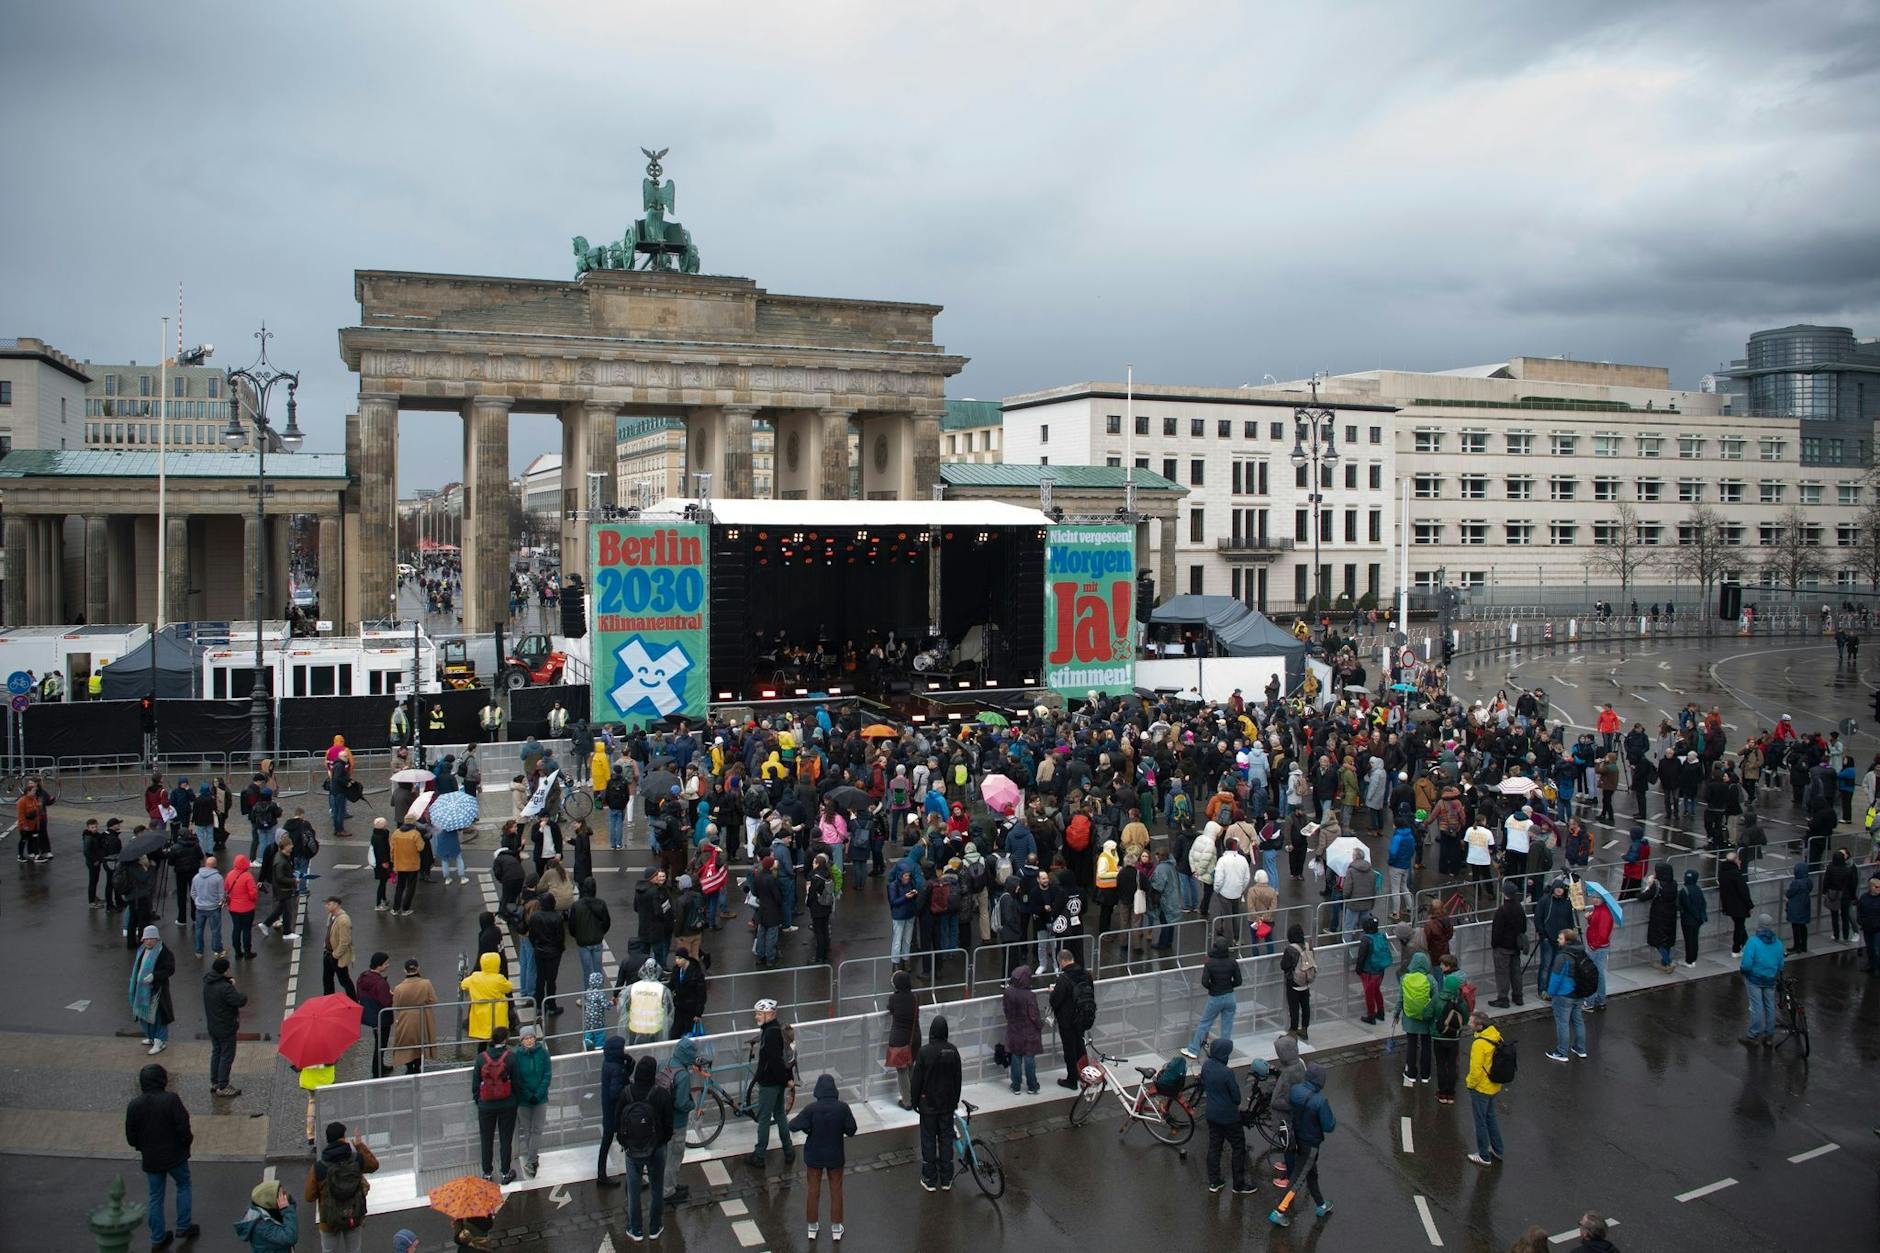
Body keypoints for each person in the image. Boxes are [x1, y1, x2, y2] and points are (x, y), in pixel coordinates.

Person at [125, 1063, 197, 1249]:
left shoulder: (134, 1105)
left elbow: (131, 1138)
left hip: (151, 1158)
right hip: (175, 1155)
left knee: (155, 1196)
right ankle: (183, 1225)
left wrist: (143, 1147)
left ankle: (157, 1237)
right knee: (183, 1185)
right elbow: (183, 1126)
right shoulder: (171, 1099)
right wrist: (186, 1143)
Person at [791, 1073, 858, 1242]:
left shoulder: (811, 1109)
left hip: (814, 1156)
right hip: (835, 1155)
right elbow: (851, 1130)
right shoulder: (842, 1108)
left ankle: (812, 1226)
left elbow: (793, 1125)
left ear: (818, 1090)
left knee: (813, 1189)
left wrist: (807, 1128)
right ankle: (836, 1228)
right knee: (836, 1189)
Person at [1268, 1062, 1334, 1228]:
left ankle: (1321, 1204)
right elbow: (1329, 1126)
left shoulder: (1296, 1089)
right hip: (1311, 1144)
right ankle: (1279, 1211)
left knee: (1311, 1173)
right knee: (1298, 1178)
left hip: (1296, 1137)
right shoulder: (1320, 1101)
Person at [617, 1053, 675, 1241]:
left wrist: (624, 1142)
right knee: (656, 1189)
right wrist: (661, 1142)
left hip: (632, 1149)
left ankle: (635, 1229)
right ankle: (655, 1227)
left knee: (633, 1190)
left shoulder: (626, 1092)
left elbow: (618, 1120)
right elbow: (669, 1125)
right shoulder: (661, 1094)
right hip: (656, 1149)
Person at [305, 1120, 379, 1253]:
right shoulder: (356, 1160)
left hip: (329, 1220)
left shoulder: (319, 1167)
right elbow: (374, 1165)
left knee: (329, 1251)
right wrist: (359, 1145)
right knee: (354, 1250)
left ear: (327, 1140)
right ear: (343, 1138)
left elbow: (309, 1196)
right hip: (353, 1215)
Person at [910, 1015, 962, 1191]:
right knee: (946, 1139)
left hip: (928, 1104)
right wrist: (955, 1100)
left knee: (928, 1140)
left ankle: (930, 1178)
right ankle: (947, 1178)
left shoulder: (924, 1052)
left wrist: (915, 1100)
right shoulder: (953, 1051)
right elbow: (957, 1079)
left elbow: (916, 1080)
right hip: (947, 1104)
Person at [745, 999, 796, 1168]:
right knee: (780, 1115)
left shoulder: (770, 1034)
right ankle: (789, 1150)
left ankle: (759, 1155)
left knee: (764, 1119)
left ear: (770, 1014)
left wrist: (783, 1079)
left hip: (769, 1083)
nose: (756, 1016)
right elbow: (784, 1057)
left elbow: (774, 1061)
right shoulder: (775, 1029)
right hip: (778, 1082)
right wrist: (786, 1079)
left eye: (759, 1013)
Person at [1200, 1037, 1252, 1194]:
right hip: (1229, 1117)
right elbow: (1236, 1097)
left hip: (1212, 1114)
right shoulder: (1227, 1072)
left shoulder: (1206, 1066)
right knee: (1238, 1147)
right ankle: (1239, 1184)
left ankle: (1214, 1181)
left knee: (1215, 1147)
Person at [471, 1026, 520, 1183]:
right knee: (505, 1139)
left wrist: (479, 1100)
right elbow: (517, 1082)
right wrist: (514, 1100)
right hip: (507, 1104)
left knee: (486, 1139)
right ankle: (505, 1172)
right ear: (505, 1039)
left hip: (486, 1105)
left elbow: (475, 1084)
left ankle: (487, 1173)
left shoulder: (481, 1058)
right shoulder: (511, 1057)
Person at [1183, 938, 1243, 1057]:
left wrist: (1213, 988)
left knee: (1205, 1023)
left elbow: (1204, 982)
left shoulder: (1210, 963)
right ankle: (1224, 1053)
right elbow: (1238, 981)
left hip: (1215, 997)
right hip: (1230, 996)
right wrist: (1229, 986)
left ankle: (1194, 1050)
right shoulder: (1232, 962)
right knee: (1226, 1027)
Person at [1049, 947, 1095, 1089]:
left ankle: (1072, 1080)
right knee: (1080, 1046)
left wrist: (1052, 992)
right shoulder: (1086, 974)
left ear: (1062, 961)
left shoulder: (1063, 979)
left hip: (1067, 1020)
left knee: (1070, 1050)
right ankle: (1086, 1076)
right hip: (1083, 1016)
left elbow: (1055, 1001)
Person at [1463, 1011, 1505, 1166]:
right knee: (1490, 1117)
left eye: (1471, 1022)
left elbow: (1476, 1071)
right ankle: (1498, 1149)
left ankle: (1483, 1155)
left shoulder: (1479, 1044)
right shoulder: (1496, 1036)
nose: (1469, 1023)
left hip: (1481, 1087)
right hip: (1494, 1085)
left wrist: (1470, 1084)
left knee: (1480, 1121)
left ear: (1479, 1026)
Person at [1544, 926, 1591, 1063]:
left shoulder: (1562, 956)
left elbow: (1556, 978)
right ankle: (1580, 1049)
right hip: (1579, 992)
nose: (1558, 940)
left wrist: (1550, 993)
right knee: (1578, 1021)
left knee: (1563, 1023)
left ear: (1567, 941)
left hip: (1564, 995)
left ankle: (1562, 1051)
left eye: (1560, 938)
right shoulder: (1582, 952)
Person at [1739, 913, 1786, 1047]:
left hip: (1754, 978)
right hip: (1770, 978)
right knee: (1770, 1005)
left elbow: (1746, 964)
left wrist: (1744, 971)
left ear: (1759, 925)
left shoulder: (1753, 942)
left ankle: (1753, 1035)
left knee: (1756, 1006)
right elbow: (1781, 964)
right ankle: (1769, 1035)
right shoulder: (1778, 943)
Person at [203, 956, 247, 1098]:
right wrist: (233, 987)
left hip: (213, 1025)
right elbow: (240, 1000)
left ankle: (214, 1082)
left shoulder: (208, 983)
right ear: (225, 970)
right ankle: (223, 1085)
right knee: (227, 1055)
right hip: (226, 1026)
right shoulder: (225, 988)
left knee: (216, 1052)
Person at [512, 1024, 553, 1179]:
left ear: (535, 1039)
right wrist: (528, 1094)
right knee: (527, 1130)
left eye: (531, 1038)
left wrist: (538, 1093)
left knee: (537, 1129)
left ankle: (531, 1160)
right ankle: (533, 1159)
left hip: (540, 1099)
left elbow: (547, 1075)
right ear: (521, 1041)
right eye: (526, 1038)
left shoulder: (543, 1053)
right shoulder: (516, 1056)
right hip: (523, 1100)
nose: (529, 1041)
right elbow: (517, 1078)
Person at [131, 924, 177, 1054]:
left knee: (158, 1016)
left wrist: (154, 976)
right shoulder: (142, 950)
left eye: (151, 938)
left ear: (157, 939)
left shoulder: (164, 952)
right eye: (146, 939)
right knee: (144, 1014)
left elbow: (170, 969)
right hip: (142, 990)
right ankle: (151, 1037)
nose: (148, 941)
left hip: (157, 991)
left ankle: (159, 1040)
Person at [388, 959, 438, 1075]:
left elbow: (396, 1006)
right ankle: (418, 1066)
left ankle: (409, 1067)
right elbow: (433, 1000)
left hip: (405, 1018)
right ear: (418, 968)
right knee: (420, 1041)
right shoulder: (426, 983)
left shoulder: (399, 988)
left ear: (405, 970)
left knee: (406, 1042)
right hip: (422, 1017)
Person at [1430, 956, 1468, 1104]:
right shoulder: (1461, 1001)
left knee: (1440, 1064)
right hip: (1454, 1037)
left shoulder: (1437, 998)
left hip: (1438, 1036)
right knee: (1451, 1065)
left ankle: (1441, 1093)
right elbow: (1465, 1019)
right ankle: (1450, 1094)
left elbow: (1427, 1013)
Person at [1001, 963, 1043, 1094]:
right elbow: (1034, 1015)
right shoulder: (1029, 995)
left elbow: (1006, 1010)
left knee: (1016, 1057)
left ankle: (1016, 1086)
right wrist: (1040, 1025)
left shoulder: (1008, 993)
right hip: (1029, 1031)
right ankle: (1032, 1086)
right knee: (1029, 1059)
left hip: (1014, 1029)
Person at [596, 1036, 631, 1186]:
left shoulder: (609, 1063)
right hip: (617, 1113)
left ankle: (601, 1175)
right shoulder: (616, 1068)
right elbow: (616, 1092)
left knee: (606, 1142)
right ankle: (633, 1178)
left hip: (609, 1111)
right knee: (628, 1143)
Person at [459, 952, 513, 1049]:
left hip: (480, 1014)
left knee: (483, 1040)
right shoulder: (499, 979)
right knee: (497, 1038)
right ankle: (498, 1056)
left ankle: (482, 1056)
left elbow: (463, 984)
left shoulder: (475, 977)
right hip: (497, 1013)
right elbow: (508, 988)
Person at [1487, 880, 1527, 1008]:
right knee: (1516, 972)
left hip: (1502, 947)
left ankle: (1503, 999)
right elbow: (1524, 927)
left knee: (1502, 973)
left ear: (1505, 894)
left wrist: (1494, 944)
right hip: (1515, 946)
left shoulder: (1502, 910)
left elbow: (1497, 931)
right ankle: (1518, 996)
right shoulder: (1519, 908)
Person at [234, 1179, 300, 1252]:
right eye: (281, 1195)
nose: (285, 1197)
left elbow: (291, 1206)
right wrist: (286, 1210)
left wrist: (288, 1202)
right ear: (271, 1201)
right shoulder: (262, 1227)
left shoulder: (263, 1205)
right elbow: (290, 1237)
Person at [1399, 951, 1434, 1085]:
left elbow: (1401, 999)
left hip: (1410, 1018)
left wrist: (1396, 1013)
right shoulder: (1430, 979)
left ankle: (1411, 1074)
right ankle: (1425, 1075)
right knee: (1426, 1046)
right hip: (1426, 1018)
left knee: (1411, 1045)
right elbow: (1435, 1000)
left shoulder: (1405, 978)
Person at [885, 969, 919, 1108]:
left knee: (902, 1070)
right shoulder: (915, 997)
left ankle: (906, 1101)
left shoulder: (894, 999)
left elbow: (890, 1009)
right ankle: (914, 1096)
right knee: (911, 1066)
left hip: (899, 1039)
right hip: (915, 1037)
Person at [622, 958, 673, 1045]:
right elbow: (669, 1010)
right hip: (655, 1028)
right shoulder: (663, 989)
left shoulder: (632, 988)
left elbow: (624, 1007)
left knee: (635, 1051)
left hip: (635, 1027)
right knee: (652, 1051)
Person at [1355, 914, 1392, 1024]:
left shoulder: (1366, 939)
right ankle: (1380, 1012)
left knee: (1369, 994)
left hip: (1369, 972)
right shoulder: (1381, 936)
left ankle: (1371, 1016)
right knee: (1377, 990)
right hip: (1380, 970)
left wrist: (1358, 970)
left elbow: (1361, 957)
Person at [1280, 923, 1314, 1039]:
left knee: (1294, 1007)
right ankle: (1304, 1029)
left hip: (1294, 982)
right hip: (1306, 980)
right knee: (1305, 1006)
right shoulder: (1307, 946)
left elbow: (1284, 965)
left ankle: (1293, 1030)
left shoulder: (1290, 949)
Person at [225, 853, 258, 960]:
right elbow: (253, 894)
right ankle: (248, 952)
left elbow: (226, 888)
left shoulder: (230, 874)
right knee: (246, 930)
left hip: (233, 908)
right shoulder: (248, 876)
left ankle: (238, 952)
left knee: (236, 929)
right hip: (247, 908)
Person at [322, 897, 356, 999]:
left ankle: (353, 999)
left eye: (328, 904)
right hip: (328, 952)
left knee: (344, 980)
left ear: (336, 905)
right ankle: (329, 1000)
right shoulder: (331, 916)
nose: (326, 906)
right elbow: (329, 932)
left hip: (336, 955)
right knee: (327, 979)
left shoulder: (343, 920)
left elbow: (345, 941)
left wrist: (335, 955)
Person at [389, 820, 423, 916]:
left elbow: (392, 848)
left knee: (400, 886)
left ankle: (395, 908)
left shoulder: (396, 833)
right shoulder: (415, 834)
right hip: (412, 865)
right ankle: (405, 909)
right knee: (410, 887)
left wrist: (392, 860)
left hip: (400, 864)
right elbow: (420, 848)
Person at [1677, 868, 1709, 967]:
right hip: (1697, 920)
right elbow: (1703, 903)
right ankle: (1693, 959)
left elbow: (1684, 905)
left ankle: (1689, 961)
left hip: (1687, 919)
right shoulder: (1698, 889)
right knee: (1694, 940)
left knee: (1688, 940)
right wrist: (1701, 916)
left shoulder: (1684, 890)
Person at [1785, 861, 1812, 952]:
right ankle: (1804, 945)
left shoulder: (1796, 883)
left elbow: (1789, 893)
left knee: (1795, 927)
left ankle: (1796, 946)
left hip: (1795, 908)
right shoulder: (1808, 881)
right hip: (1805, 906)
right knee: (1803, 926)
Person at [1858, 876, 1880, 976]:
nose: (1879, 889)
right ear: (1871, 887)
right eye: (1877, 887)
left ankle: (1877, 968)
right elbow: (1859, 911)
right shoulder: (1864, 898)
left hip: (1878, 929)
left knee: (1877, 949)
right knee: (1869, 948)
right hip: (1867, 927)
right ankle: (1871, 965)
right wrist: (1860, 921)